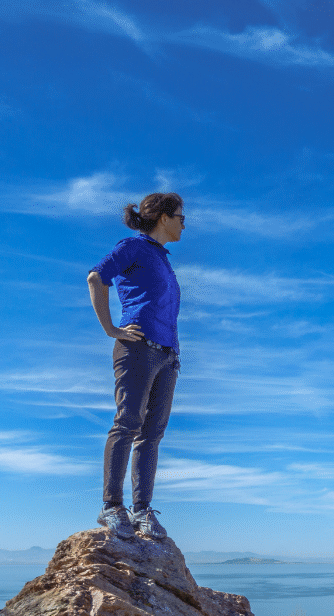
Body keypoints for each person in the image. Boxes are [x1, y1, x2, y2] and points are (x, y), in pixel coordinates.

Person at [87, 192, 185, 540]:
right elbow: (96, 278)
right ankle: (112, 506)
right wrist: (111, 328)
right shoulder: (134, 247)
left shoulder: (162, 258)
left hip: (167, 355)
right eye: (179, 216)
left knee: (152, 434)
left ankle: (141, 511)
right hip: (138, 348)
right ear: (162, 217)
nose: (184, 222)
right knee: (128, 422)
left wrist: (174, 354)